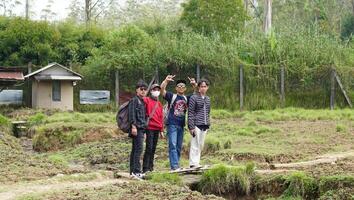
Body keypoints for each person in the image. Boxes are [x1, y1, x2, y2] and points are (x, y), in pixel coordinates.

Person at [160, 75, 197, 171]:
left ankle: (176, 165)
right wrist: (166, 81)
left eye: (183, 86)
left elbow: (197, 94)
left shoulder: (186, 98)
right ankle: (175, 166)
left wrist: (194, 85)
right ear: (176, 88)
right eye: (179, 86)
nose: (181, 87)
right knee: (172, 144)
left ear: (185, 88)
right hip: (172, 124)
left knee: (178, 146)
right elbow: (162, 91)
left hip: (181, 125)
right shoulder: (172, 96)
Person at [188, 79, 211, 168]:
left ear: (207, 88)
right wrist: (191, 126)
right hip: (196, 125)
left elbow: (208, 112)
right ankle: (193, 164)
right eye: (201, 86)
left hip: (204, 125)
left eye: (205, 86)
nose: (203, 88)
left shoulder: (208, 99)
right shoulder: (194, 98)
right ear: (198, 87)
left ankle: (197, 162)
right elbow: (191, 112)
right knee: (195, 144)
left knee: (200, 145)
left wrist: (208, 123)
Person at [142, 83, 164, 173]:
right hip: (149, 128)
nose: (156, 91)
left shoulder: (159, 104)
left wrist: (161, 130)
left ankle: (151, 167)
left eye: (158, 90)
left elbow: (161, 117)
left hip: (157, 128)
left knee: (154, 148)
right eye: (154, 90)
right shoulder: (146, 100)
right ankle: (145, 168)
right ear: (151, 91)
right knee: (149, 147)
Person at [128, 80, 148, 179]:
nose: (143, 91)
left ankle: (132, 171)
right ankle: (136, 171)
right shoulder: (134, 100)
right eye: (141, 89)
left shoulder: (142, 101)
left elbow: (143, 117)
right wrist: (133, 126)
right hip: (136, 128)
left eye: (145, 89)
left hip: (141, 129)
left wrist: (144, 131)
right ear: (137, 90)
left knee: (135, 149)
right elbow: (131, 114)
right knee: (138, 150)